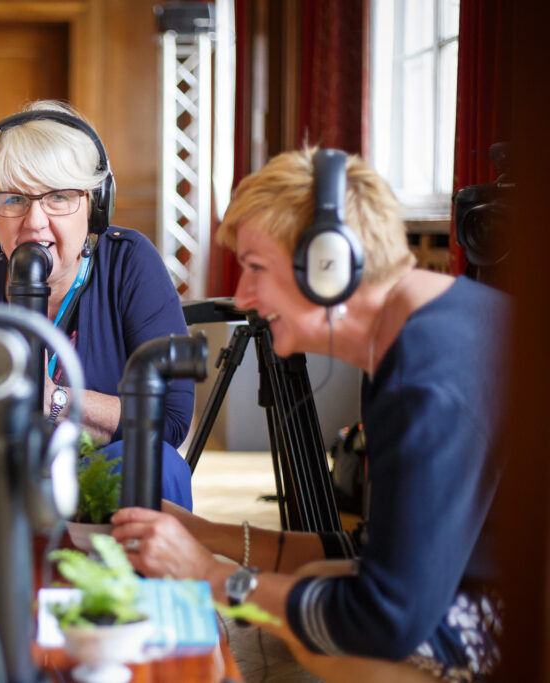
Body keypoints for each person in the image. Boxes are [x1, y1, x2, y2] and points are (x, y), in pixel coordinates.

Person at [111, 147, 507, 682]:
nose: (243, 298)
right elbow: (369, 552)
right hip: (488, 590)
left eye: (255, 269)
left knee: (346, 643)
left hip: (517, 623)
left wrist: (211, 578)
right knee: (320, 580)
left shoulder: (430, 379)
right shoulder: (413, 337)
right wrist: (202, 533)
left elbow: (385, 618)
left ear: (330, 265)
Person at [0, 100, 195, 509]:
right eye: (12, 199)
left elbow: (169, 422)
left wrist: (55, 400)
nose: (34, 221)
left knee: (154, 464)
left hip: (103, 482)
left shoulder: (130, 262)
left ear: (95, 206)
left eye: (59, 197)